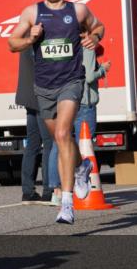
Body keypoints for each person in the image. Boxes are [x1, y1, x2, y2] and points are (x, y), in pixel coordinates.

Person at [8, 0, 105, 224]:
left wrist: (94, 39)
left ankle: (66, 203)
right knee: (61, 140)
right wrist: (30, 39)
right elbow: (11, 43)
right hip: (43, 87)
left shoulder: (77, 11)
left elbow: (99, 27)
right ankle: (82, 167)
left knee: (63, 134)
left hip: (71, 82)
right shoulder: (32, 12)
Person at [44, 44, 111, 204]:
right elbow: (88, 77)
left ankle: (57, 190)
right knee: (84, 146)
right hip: (83, 103)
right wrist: (103, 69)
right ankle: (80, 185)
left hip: (64, 101)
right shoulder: (87, 49)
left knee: (59, 144)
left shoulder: (63, 46)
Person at [15, 48, 55, 204]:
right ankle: (48, 190)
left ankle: (28, 191)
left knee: (32, 144)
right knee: (49, 144)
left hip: (28, 97)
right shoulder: (36, 38)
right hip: (40, 96)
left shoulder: (25, 39)